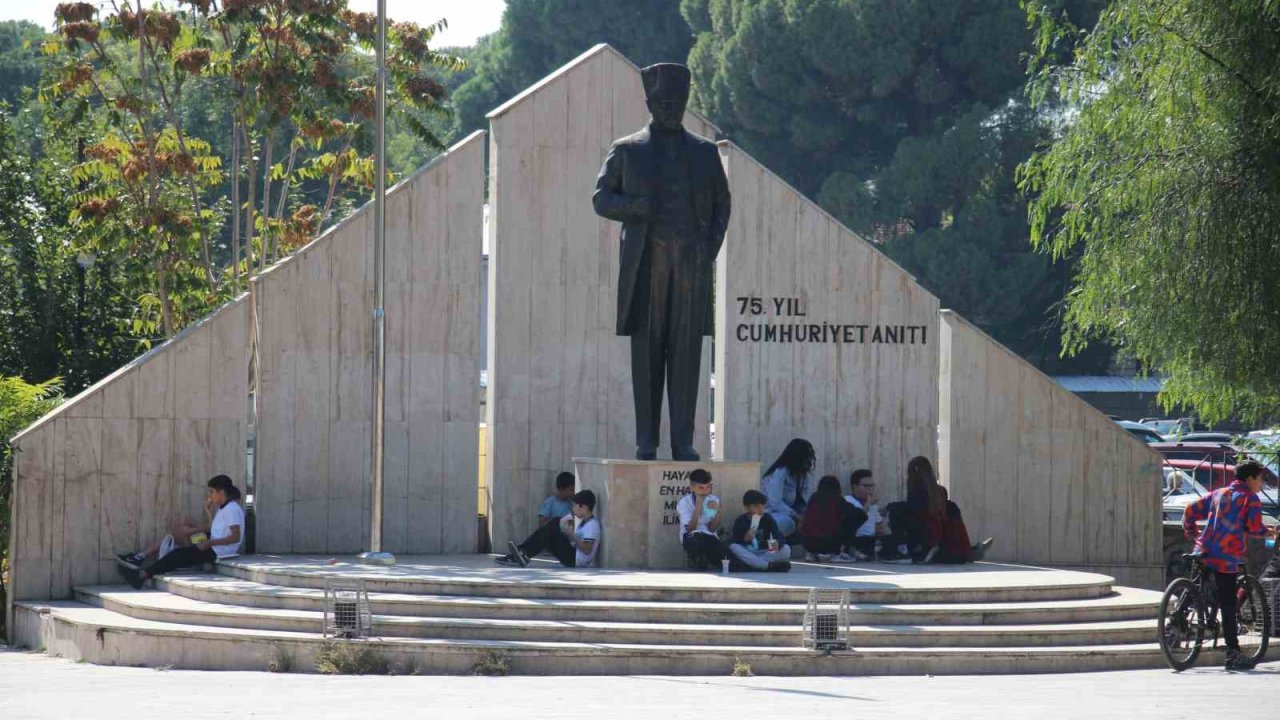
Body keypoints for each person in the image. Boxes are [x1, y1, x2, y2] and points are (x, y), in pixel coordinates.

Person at [592, 62, 731, 462]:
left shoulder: (705, 153)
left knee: (687, 355)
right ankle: (647, 441)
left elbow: (723, 203)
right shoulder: (628, 150)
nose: (672, 109)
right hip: (646, 266)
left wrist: (708, 248)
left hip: (690, 264)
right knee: (648, 353)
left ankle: (684, 442)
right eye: (664, 103)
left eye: (678, 103)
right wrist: (635, 207)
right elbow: (601, 199)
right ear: (649, 103)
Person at [1182, 460, 1275, 670]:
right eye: (1260, 479)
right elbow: (1253, 527)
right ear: (1251, 478)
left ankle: (1176, 623)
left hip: (1204, 549)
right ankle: (1232, 652)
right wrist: (1266, 532)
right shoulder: (1249, 498)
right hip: (1226, 555)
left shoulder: (1219, 493)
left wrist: (1190, 530)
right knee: (1228, 603)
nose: (1261, 484)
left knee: (1196, 586)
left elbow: (1190, 510)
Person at [117, 475, 245, 589]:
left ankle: (142, 575)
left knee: (178, 555)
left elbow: (235, 537)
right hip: (212, 542)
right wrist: (208, 512)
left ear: (221, 492)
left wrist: (210, 543)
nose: (210, 496)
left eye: (212, 492)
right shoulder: (223, 508)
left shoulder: (231, 509)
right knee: (182, 536)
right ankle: (141, 558)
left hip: (219, 550)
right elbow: (214, 528)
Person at [883, 456, 992, 565]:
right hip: (942, 539)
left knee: (897, 511)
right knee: (951, 507)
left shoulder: (918, 493)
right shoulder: (941, 492)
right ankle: (967, 550)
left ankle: (903, 552)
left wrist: (889, 507)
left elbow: (914, 510)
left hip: (926, 538)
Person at [496, 490, 602, 568]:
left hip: (574, 560)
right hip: (572, 554)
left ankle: (522, 554)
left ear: (583, 507)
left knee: (550, 531)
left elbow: (587, 550)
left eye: (575, 506)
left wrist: (570, 534)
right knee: (554, 523)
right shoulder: (584, 523)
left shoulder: (592, 525)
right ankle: (521, 552)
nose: (573, 510)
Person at [801, 475, 866, 562]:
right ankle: (838, 553)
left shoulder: (814, 498)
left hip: (808, 542)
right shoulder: (837, 499)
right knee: (851, 520)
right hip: (829, 542)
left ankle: (812, 554)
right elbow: (859, 515)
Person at [760, 438, 815, 537]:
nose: (808, 461)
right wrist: (796, 516)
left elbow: (804, 501)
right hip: (772, 514)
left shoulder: (802, 476)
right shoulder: (780, 472)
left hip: (791, 513)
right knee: (787, 523)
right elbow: (775, 503)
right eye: (806, 457)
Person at [727, 490, 791, 572]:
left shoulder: (767, 518)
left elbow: (778, 535)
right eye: (756, 506)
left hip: (764, 551)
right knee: (733, 547)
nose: (760, 510)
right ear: (747, 508)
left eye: (762, 506)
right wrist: (745, 538)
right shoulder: (741, 520)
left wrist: (777, 542)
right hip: (749, 551)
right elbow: (735, 539)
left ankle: (754, 565)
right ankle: (766, 566)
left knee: (786, 549)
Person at [677, 468, 724, 570]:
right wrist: (698, 507)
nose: (705, 491)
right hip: (692, 536)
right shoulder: (685, 503)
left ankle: (709, 560)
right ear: (692, 488)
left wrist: (718, 511)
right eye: (701, 488)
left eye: (708, 487)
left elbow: (712, 529)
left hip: (710, 537)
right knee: (696, 537)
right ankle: (696, 560)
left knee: (728, 559)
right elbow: (690, 529)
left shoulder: (713, 500)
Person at [843, 469, 893, 560]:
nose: (869, 489)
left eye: (871, 486)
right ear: (855, 487)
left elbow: (879, 527)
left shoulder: (872, 505)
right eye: (865, 486)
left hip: (871, 539)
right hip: (856, 538)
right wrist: (868, 504)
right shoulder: (848, 500)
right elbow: (856, 518)